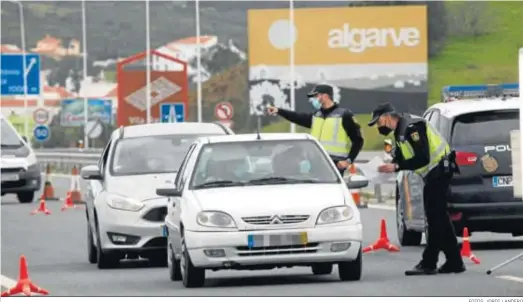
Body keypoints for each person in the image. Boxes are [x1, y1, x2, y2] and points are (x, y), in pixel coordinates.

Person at [367, 102, 465, 276]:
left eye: (378, 122)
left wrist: (396, 167)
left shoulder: (413, 127)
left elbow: (423, 157)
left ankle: (430, 262)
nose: (378, 126)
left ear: (387, 117)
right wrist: (389, 165)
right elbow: (403, 156)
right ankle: (453, 261)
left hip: (439, 170)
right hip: (434, 173)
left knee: (435, 218)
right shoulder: (399, 132)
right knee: (438, 218)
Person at [266, 84, 364, 175]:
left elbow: (358, 140)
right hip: (316, 163)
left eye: (316, 96)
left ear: (325, 96)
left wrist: (348, 161)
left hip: (334, 165)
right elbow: (297, 117)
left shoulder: (344, 116)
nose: (314, 99)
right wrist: (279, 111)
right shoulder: (316, 116)